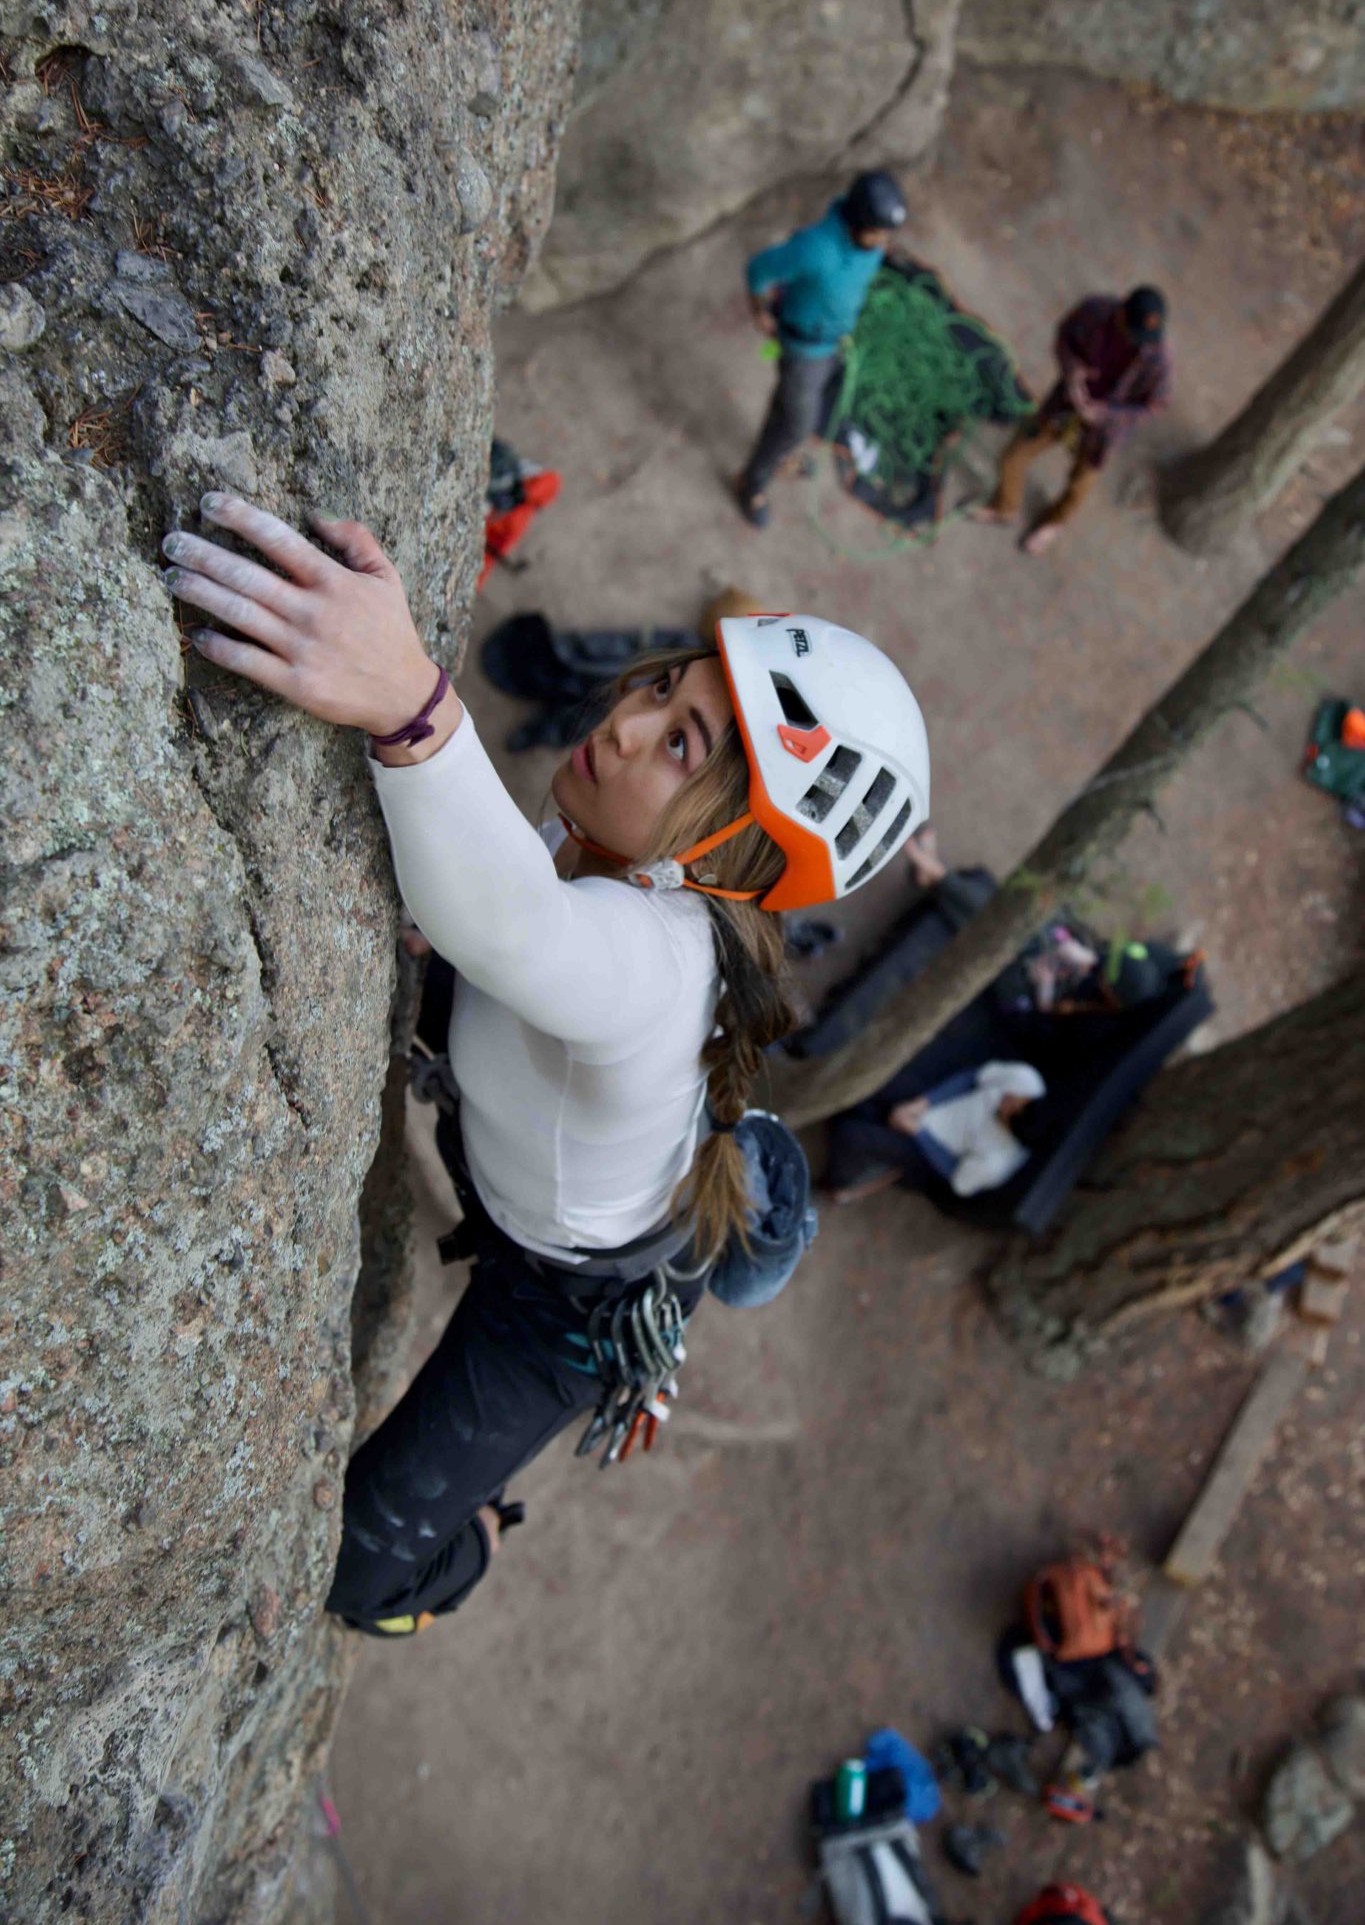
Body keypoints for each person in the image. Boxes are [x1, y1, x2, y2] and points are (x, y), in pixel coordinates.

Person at [159, 496, 930, 1635]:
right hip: (566, 1149)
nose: (622, 724)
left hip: (568, 1305)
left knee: (362, 1582)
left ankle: (482, 1532)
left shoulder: (659, 960)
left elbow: (518, 928)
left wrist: (409, 703)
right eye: (661, 689)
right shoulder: (620, 845)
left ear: (730, 851)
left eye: (680, 745)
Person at [738, 168, 907, 529]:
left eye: (887, 233)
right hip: (805, 351)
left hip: (835, 340)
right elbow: (759, 270)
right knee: (795, 424)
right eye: (878, 232)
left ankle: (781, 456)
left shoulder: (871, 244)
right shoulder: (814, 248)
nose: (884, 241)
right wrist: (759, 311)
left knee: (792, 411)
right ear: (856, 222)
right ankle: (751, 483)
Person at [976, 286, 1171, 554]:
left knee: (1079, 486)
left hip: (1103, 433)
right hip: (1064, 406)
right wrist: (1073, 372)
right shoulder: (1095, 311)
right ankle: (1005, 508)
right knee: (1014, 456)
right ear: (1121, 313)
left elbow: (1155, 405)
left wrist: (1105, 413)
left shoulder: (1157, 358)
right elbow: (1064, 335)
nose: (1139, 343)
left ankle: (1052, 525)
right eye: (1133, 332)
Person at [833, 1060, 1046, 1206]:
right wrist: (922, 1103)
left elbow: (956, 1178)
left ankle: (843, 1181)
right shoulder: (1025, 1081)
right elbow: (973, 1077)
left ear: (1011, 1129)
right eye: (1015, 1099)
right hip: (933, 1103)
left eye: (1010, 1107)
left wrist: (918, 1133)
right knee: (875, 1082)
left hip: (925, 1151)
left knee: (852, 1134)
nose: (1007, 1097)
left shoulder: (996, 1162)